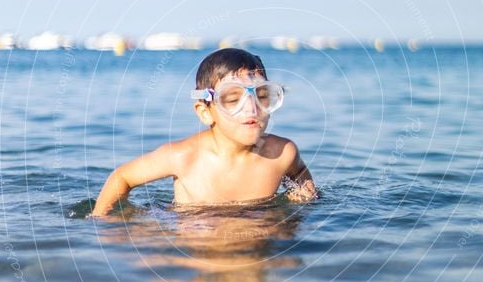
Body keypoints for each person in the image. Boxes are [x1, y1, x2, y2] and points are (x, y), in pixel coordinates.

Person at [91, 47, 317, 216]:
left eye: (262, 96)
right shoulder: (183, 157)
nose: (251, 108)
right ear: (205, 111)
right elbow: (122, 177)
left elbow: (299, 174)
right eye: (232, 99)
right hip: (191, 234)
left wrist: (305, 197)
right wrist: (103, 223)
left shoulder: (282, 153)